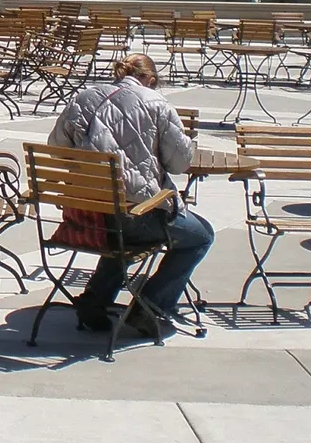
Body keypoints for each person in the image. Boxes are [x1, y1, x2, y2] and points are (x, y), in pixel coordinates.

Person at [48, 53, 214, 339]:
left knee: (124, 227)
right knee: (200, 236)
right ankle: (149, 306)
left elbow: (56, 148)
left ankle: (95, 299)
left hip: (89, 217)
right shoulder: (156, 103)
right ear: (149, 80)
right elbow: (179, 164)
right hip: (131, 218)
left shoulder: (83, 97)